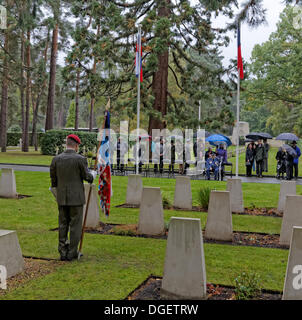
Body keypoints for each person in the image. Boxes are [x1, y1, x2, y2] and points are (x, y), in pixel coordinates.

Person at [50, 134, 96, 261]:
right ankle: (72, 253)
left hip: (62, 197)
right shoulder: (80, 159)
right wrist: (93, 174)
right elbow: (88, 178)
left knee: (63, 224)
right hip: (76, 198)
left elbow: (53, 181)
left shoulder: (56, 159)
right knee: (75, 225)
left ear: (67, 144)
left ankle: (62, 252)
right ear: (76, 146)